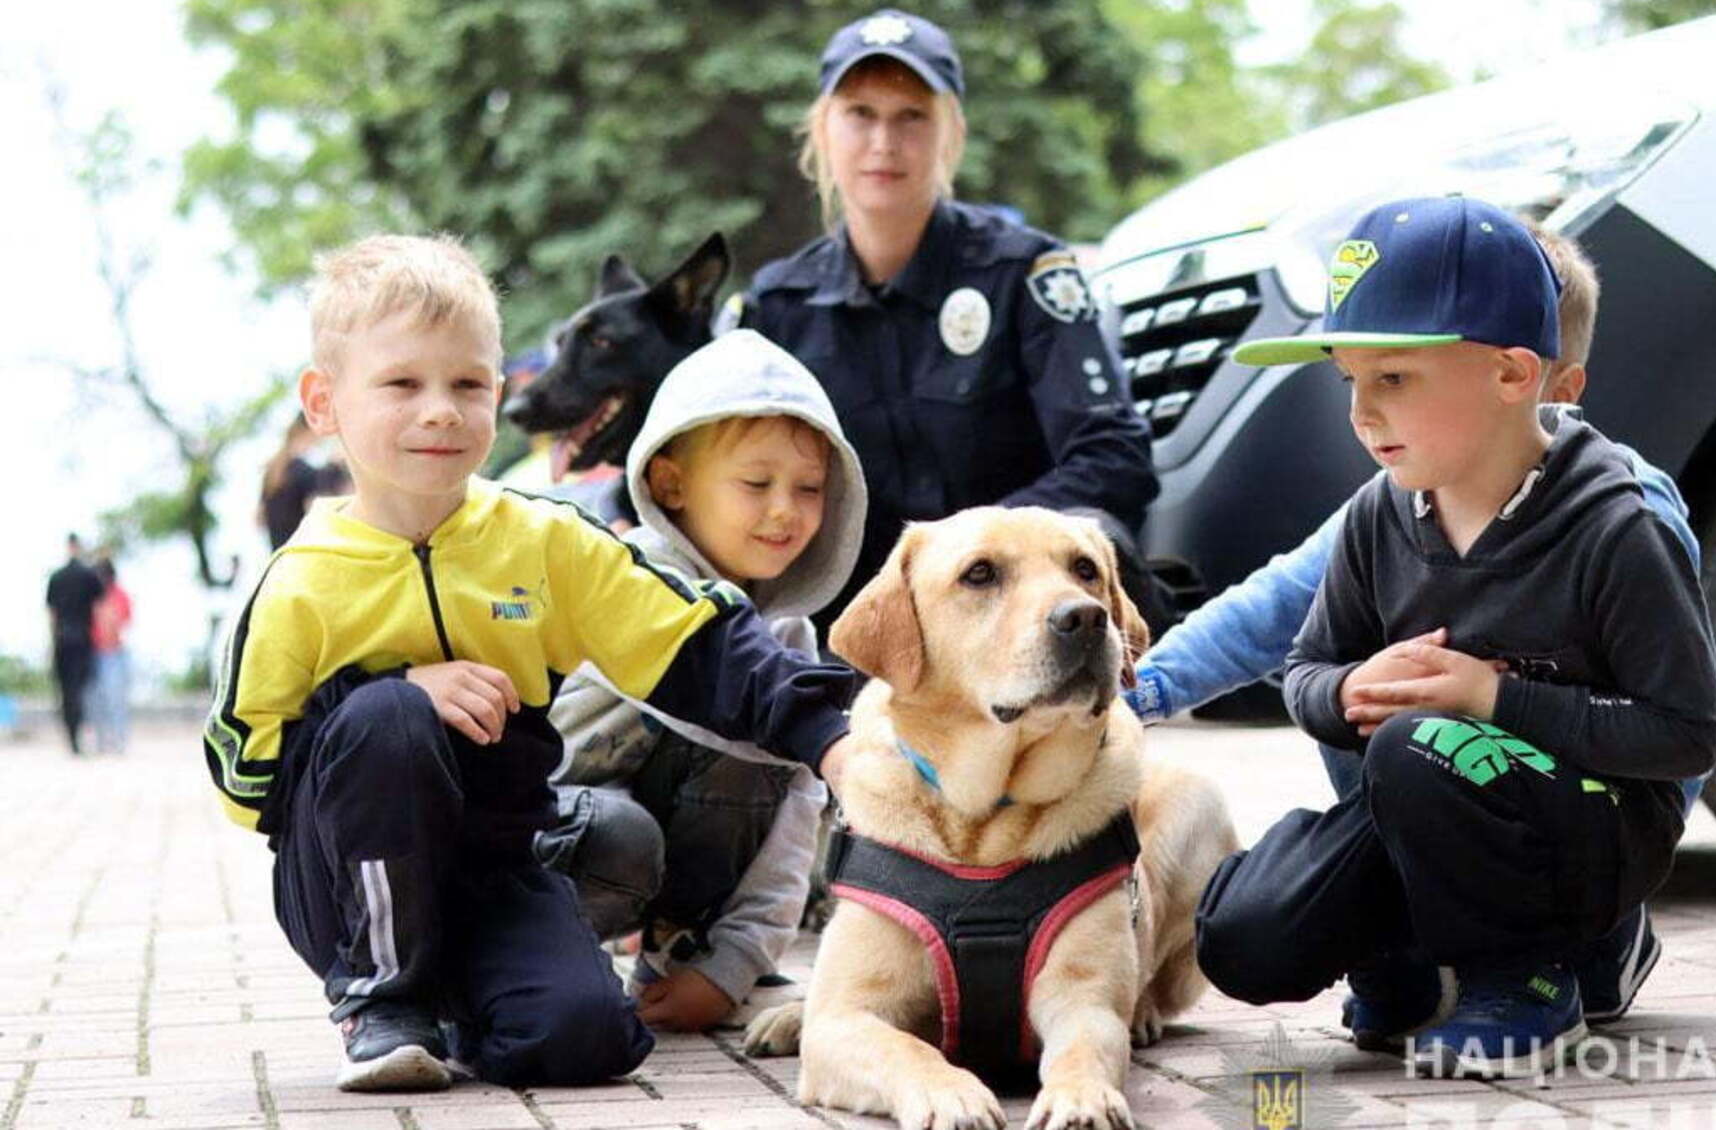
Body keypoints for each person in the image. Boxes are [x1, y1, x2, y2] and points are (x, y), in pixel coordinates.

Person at [201, 234, 865, 1093]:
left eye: (468, 384)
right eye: (402, 383)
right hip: (345, 891)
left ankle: (460, 999)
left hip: (498, 868)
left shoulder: (542, 539)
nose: (440, 409)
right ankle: (383, 999)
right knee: (391, 720)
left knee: (589, 1039)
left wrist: (836, 739)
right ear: (325, 403)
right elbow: (243, 777)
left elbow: (695, 637)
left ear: (501, 391)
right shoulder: (298, 582)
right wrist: (381, 694)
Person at [1189, 196, 1716, 1078]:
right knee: (1248, 939)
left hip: (1593, 836)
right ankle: (1412, 950)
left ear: (1515, 374)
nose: (1362, 412)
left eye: (1394, 379)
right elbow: (1305, 667)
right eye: (1350, 380)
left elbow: (1686, 732)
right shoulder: (1377, 515)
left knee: (1415, 747)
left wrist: (1494, 696)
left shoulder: (1616, 526)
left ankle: (1531, 979)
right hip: (1421, 810)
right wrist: (1344, 690)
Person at [740, 8, 1164, 630]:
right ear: (823, 128)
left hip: (1024, 601)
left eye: (912, 116)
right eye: (861, 114)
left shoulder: (1025, 270)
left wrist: (975, 547)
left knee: (1097, 533)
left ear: (951, 133)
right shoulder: (777, 306)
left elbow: (1114, 456)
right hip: (866, 617)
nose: (884, 142)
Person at [540, 329, 865, 1033]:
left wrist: (730, 966)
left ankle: (679, 953)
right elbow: (716, 699)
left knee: (763, 757)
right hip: (553, 847)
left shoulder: (786, 641)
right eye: (756, 484)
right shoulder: (619, 582)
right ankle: (520, 952)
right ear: (670, 484)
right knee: (623, 833)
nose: (786, 509)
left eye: (810, 488)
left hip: (647, 863)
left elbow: (790, 832)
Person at [46, 533, 103, 756]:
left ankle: (73, 737)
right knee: (81, 689)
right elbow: (99, 607)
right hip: (83, 638)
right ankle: (81, 734)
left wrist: (51, 643)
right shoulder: (89, 575)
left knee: (67, 691)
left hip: (62, 639)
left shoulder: (56, 577)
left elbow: (51, 614)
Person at [260, 413, 351, 550]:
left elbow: (259, 519)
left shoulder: (273, 470)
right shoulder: (303, 471)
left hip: (280, 556)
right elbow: (320, 514)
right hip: (302, 556)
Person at [88, 557, 133, 756]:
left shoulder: (120, 595)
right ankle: (101, 741)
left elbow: (124, 621)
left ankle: (120, 740)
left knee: (116, 699)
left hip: (114, 653)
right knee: (95, 700)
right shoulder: (91, 596)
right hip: (94, 652)